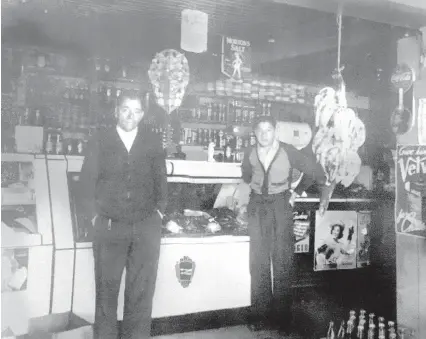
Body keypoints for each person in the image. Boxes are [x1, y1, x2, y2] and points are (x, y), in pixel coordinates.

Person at [77, 93, 167, 339]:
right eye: (126, 109)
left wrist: (158, 212)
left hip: (145, 225)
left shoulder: (151, 141)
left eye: (136, 110)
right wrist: (94, 217)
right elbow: (86, 183)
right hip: (109, 226)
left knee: (141, 292)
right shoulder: (101, 139)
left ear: (142, 114)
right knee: (106, 292)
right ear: (117, 111)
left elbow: (161, 180)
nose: (131, 115)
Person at [241, 115, 326, 335]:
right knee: (258, 261)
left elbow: (315, 171)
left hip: (281, 205)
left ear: (275, 131)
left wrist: (295, 192)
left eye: (268, 130)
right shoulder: (249, 153)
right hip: (258, 206)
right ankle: (260, 315)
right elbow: (246, 176)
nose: (264, 134)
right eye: (259, 130)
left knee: (282, 261)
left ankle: (282, 319)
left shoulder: (289, 151)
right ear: (255, 133)